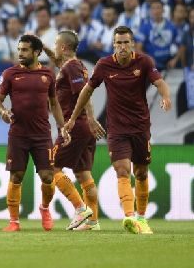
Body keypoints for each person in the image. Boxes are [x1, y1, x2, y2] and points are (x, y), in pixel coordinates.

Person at [63, 26, 171, 234]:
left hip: (140, 127)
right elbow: (87, 90)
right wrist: (75, 117)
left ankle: (141, 217)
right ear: (113, 45)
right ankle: (130, 217)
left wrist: (166, 97)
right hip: (117, 129)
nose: (122, 47)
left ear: (132, 44)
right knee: (122, 170)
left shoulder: (144, 62)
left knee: (140, 173)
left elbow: (159, 83)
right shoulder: (104, 65)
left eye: (125, 42)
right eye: (118, 43)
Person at [0, 34, 68, 232]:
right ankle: (14, 221)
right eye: (19, 49)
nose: (20, 53)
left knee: (48, 177)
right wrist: (3, 112)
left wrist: (63, 127)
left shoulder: (48, 75)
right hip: (18, 134)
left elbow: (54, 103)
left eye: (25, 50)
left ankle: (44, 208)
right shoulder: (10, 74)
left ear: (37, 52)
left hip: (42, 134)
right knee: (16, 176)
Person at [42, 31, 106, 231]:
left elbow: (83, 94)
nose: (54, 48)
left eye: (55, 44)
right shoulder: (73, 66)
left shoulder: (71, 68)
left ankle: (80, 208)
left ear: (63, 47)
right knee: (83, 174)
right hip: (83, 126)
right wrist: (42, 45)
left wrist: (89, 119)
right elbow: (55, 58)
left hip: (75, 126)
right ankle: (93, 221)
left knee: (52, 168)